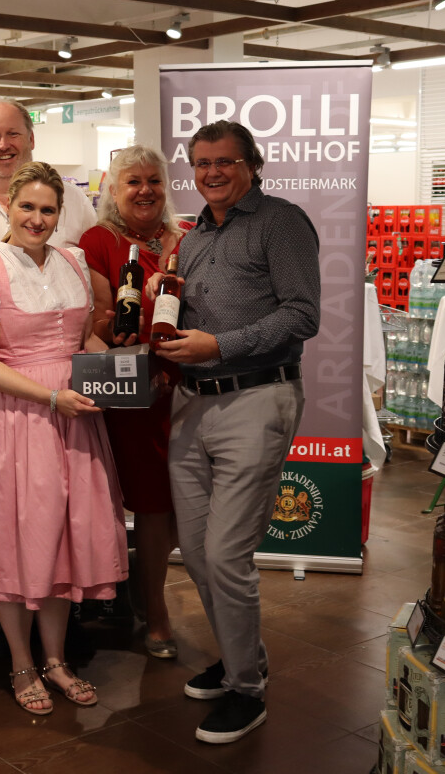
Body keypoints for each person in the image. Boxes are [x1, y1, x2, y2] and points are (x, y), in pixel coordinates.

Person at [147, 120, 320, 744]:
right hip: (193, 404)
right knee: (194, 551)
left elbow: (303, 315)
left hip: (257, 398)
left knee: (225, 554)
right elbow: (185, 311)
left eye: (224, 162)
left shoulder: (281, 221)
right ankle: (242, 653)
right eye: (201, 164)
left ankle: (249, 691)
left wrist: (220, 344)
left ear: (252, 163)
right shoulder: (194, 237)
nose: (212, 173)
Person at [0, 161, 128, 716]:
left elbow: (84, 335)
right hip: (15, 420)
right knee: (17, 537)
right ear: (10, 208)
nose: (38, 218)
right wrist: (51, 396)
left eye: (48, 209)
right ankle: (22, 662)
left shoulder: (73, 261)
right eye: (28, 207)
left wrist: (122, 368)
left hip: (73, 418)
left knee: (62, 538)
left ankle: (56, 658)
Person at [78, 144, 187, 660]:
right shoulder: (99, 241)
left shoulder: (187, 238)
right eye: (133, 182)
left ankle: (141, 594)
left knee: (179, 510)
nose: (145, 190)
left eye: (154, 180)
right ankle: (155, 612)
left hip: (190, 387)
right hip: (136, 392)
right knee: (150, 504)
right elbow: (100, 319)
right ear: (113, 191)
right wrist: (143, 341)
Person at [0, 98, 96, 426]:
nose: (3, 145)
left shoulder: (76, 202)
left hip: (68, 384)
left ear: (32, 139)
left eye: (14, 134)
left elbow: (92, 286)